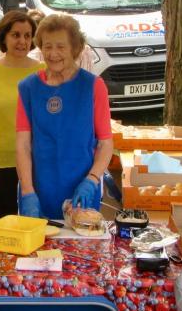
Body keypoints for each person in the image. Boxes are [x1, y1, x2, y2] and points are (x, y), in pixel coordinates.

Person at [16, 14, 113, 221]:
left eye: (61, 47)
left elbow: (105, 143)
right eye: (47, 46)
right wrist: (27, 191)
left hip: (82, 191)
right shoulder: (27, 88)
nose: (53, 54)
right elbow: (23, 145)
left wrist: (92, 179)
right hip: (38, 190)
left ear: (75, 48)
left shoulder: (94, 87)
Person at [0, 10, 40, 217]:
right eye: (16, 35)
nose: (22, 41)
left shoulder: (43, 73)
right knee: (1, 225)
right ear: (3, 36)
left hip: (35, 163)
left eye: (27, 35)